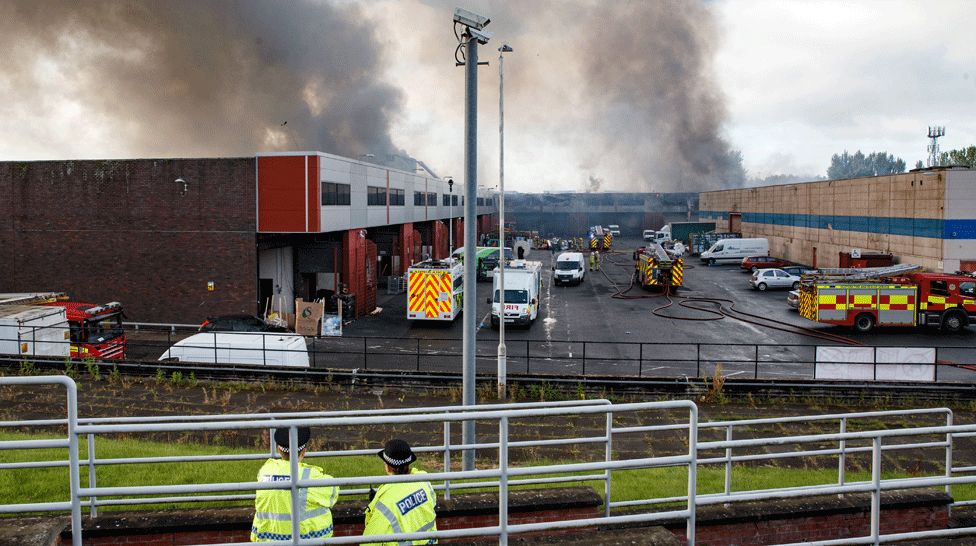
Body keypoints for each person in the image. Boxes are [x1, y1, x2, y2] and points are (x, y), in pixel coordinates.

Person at [251, 427, 338, 542]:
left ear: (278, 450)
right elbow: (333, 495)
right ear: (303, 452)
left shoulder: (265, 471)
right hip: (306, 540)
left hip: (268, 541)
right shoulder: (311, 476)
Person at [363, 438, 437, 545]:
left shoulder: (385, 501)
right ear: (409, 464)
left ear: (388, 467)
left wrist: (375, 506)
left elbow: (370, 541)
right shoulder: (423, 481)